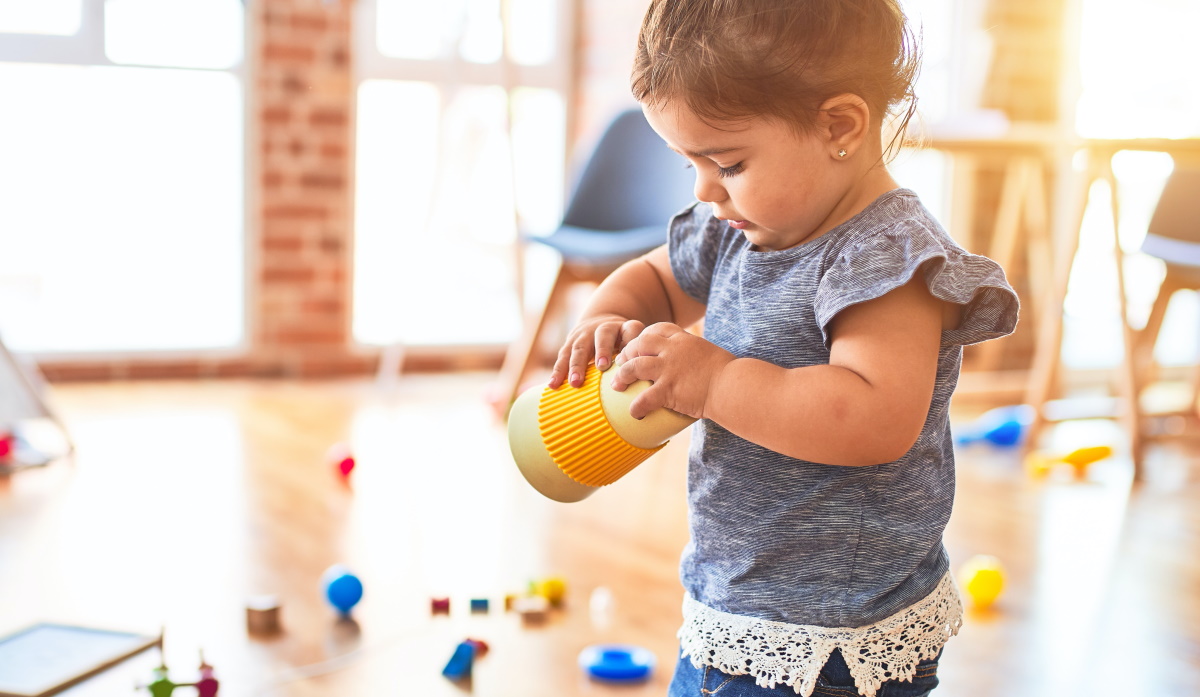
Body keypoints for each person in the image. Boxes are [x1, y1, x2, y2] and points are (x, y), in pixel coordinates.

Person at [547, 1, 1020, 695]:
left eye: (729, 163)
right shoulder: (739, 225)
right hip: (736, 602)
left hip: (833, 640)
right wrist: (609, 316)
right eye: (690, 166)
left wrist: (714, 383)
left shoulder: (884, 257)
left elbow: (874, 417)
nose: (707, 191)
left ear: (840, 127)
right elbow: (653, 275)